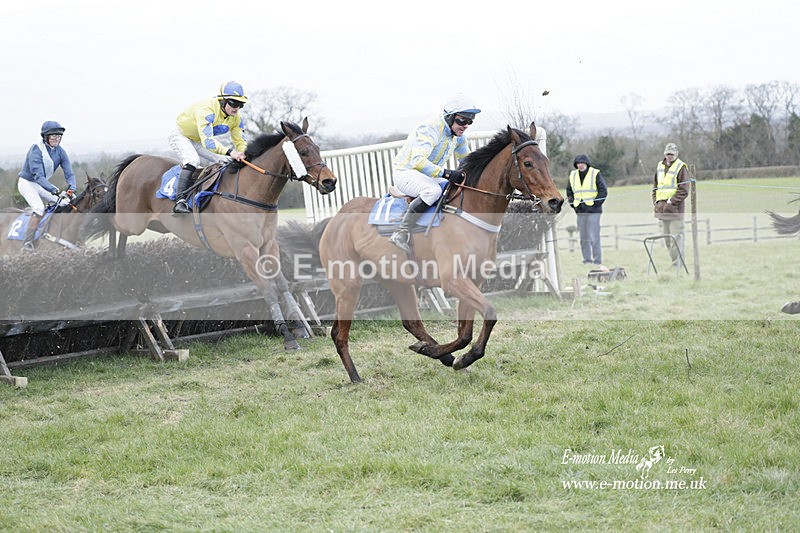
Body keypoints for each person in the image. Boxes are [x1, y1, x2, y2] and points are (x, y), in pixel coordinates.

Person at [388, 94, 480, 252]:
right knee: (433, 191)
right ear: (450, 117)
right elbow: (418, 161)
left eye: (469, 121)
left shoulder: (459, 136)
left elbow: (466, 160)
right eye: (462, 120)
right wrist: (447, 173)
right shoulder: (430, 128)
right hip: (406, 172)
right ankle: (400, 232)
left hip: (427, 175)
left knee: (456, 187)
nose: (465, 125)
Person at [168, 81, 249, 214]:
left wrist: (242, 153)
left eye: (241, 104)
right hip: (181, 135)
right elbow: (209, 143)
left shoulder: (237, 118)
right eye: (234, 103)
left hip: (197, 139)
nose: (237, 108)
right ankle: (180, 201)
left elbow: (240, 141)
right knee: (192, 160)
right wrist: (230, 152)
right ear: (222, 101)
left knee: (225, 161)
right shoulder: (207, 110)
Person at [17, 121, 77, 251]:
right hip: (27, 183)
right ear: (45, 137)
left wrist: (71, 188)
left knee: (65, 203)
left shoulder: (60, 151)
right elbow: (38, 176)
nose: (56, 138)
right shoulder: (36, 150)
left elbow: (69, 173)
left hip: (41, 185)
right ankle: (27, 243)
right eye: (53, 136)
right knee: (39, 208)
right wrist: (55, 190)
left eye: (59, 136)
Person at [652, 142, 690, 266]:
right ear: (664, 154)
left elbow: (684, 190)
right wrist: (656, 202)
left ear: (677, 154)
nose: (670, 156)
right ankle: (675, 264)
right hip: (662, 211)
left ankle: (678, 265)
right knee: (667, 240)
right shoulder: (660, 167)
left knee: (676, 239)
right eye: (668, 154)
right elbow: (655, 187)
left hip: (675, 211)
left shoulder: (681, 167)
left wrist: (670, 202)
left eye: (672, 154)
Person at [566, 154, 607, 267]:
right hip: (580, 211)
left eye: (582, 163)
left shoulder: (595, 173)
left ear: (587, 163)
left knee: (594, 236)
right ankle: (587, 260)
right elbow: (569, 192)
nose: (580, 165)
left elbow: (603, 191)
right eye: (578, 163)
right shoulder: (573, 175)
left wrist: (595, 204)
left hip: (594, 211)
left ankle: (597, 260)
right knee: (583, 237)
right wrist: (573, 205)